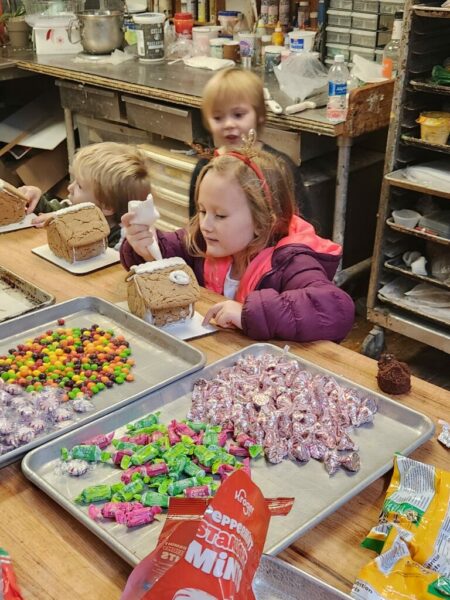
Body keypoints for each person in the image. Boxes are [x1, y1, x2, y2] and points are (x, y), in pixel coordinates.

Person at [121, 145, 354, 343]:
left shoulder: (291, 262)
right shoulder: (204, 240)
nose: (205, 225)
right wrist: (146, 248)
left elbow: (336, 308)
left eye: (220, 215)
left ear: (262, 222)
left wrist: (247, 314)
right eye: (202, 211)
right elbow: (169, 250)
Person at [188, 67, 301, 217]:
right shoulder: (205, 168)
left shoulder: (280, 167)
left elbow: (301, 224)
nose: (228, 124)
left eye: (238, 115)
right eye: (218, 117)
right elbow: (196, 223)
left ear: (259, 114)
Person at [20, 142, 152, 249]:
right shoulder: (73, 208)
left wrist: (68, 224)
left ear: (106, 206)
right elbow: (47, 212)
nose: (70, 188)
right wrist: (35, 198)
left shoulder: (123, 241)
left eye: (80, 186)